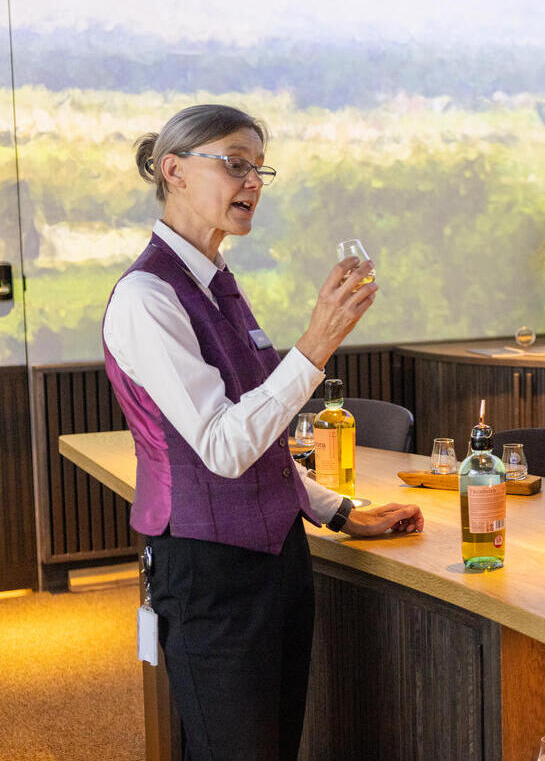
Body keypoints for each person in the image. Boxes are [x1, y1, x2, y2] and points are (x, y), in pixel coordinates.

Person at [103, 104, 424, 760]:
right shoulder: (147, 298)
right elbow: (223, 447)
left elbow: (264, 443)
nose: (252, 182)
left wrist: (337, 512)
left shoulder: (220, 283)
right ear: (175, 171)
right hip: (211, 573)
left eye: (259, 169)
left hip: (280, 560)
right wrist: (314, 347)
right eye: (234, 163)